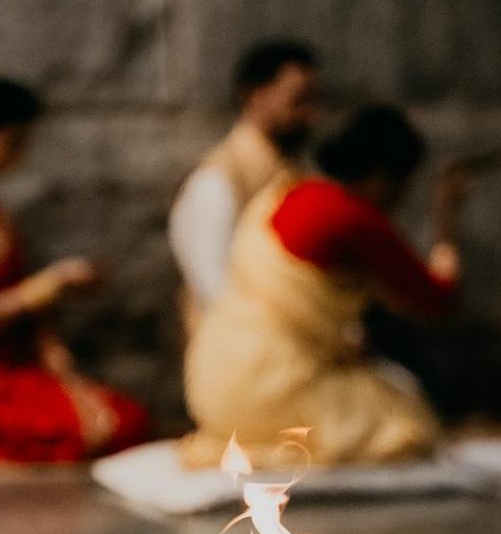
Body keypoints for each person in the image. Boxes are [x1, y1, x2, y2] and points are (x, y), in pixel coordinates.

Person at [180, 105, 471, 468]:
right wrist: (446, 218)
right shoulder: (352, 215)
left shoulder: (284, 191)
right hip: (270, 384)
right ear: (383, 175)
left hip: (208, 376)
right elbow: (438, 300)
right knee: (407, 423)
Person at [0, 61, 148, 464]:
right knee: (106, 428)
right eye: (13, 141)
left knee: (129, 420)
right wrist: (51, 284)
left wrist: (47, 347)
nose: (19, 154)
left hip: (2, 363)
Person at [168, 39, 319, 336]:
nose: (309, 114)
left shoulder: (297, 171)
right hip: (242, 355)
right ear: (256, 96)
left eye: (313, 101)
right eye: (298, 100)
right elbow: (219, 291)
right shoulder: (217, 180)